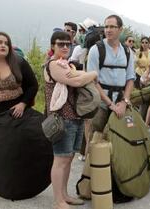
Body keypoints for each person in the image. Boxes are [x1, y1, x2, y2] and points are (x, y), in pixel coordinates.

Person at [44, 31, 98, 209]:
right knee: (60, 159)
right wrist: (91, 74)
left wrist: (84, 75)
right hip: (61, 118)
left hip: (76, 116)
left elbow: (78, 78)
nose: (65, 47)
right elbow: (76, 82)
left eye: (68, 44)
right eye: (60, 44)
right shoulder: (53, 65)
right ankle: (58, 200)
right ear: (53, 46)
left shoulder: (68, 66)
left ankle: (65, 195)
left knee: (69, 158)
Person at [86, 14, 135, 133]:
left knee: (123, 137)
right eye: (106, 26)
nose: (108, 30)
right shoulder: (96, 50)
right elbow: (92, 80)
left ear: (120, 29)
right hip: (100, 102)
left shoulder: (127, 51)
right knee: (95, 141)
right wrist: (110, 104)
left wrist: (124, 102)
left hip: (120, 100)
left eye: (112, 27)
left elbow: (130, 79)